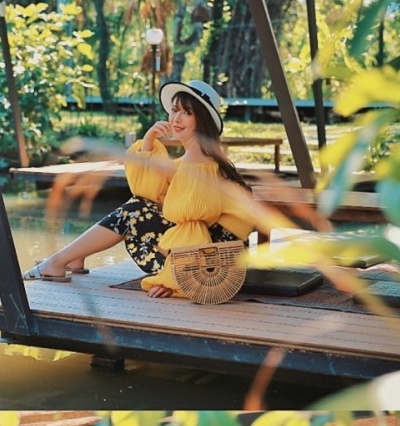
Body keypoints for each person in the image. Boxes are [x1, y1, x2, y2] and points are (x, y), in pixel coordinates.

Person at [23, 81, 256, 299]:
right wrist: (149, 140)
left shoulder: (198, 158)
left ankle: (61, 260)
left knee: (135, 211)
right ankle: (71, 257)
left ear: (202, 120)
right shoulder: (197, 156)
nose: (176, 118)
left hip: (214, 265)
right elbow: (149, 191)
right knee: (138, 208)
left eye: (187, 112)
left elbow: (191, 221)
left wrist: (173, 279)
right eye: (174, 110)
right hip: (213, 251)